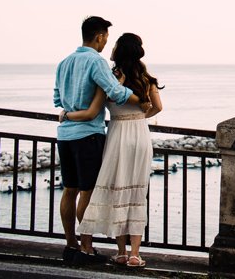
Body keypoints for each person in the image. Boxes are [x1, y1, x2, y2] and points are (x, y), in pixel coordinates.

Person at [67, 33, 163, 268]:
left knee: (117, 188)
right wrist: (139, 117)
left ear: (119, 53)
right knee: (137, 192)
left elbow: (99, 105)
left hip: (117, 134)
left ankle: (120, 251)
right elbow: (157, 107)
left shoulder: (110, 78)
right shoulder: (147, 78)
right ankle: (134, 254)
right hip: (139, 135)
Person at [54, 16, 143, 265]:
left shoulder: (64, 62)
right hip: (88, 135)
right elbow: (115, 92)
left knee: (69, 190)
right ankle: (86, 248)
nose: (106, 43)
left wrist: (69, 112)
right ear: (100, 36)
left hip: (65, 135)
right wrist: (141, 99)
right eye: (105, 37)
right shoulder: (96, 61)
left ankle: (70, 244)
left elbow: (57, 99)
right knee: (87, 191)